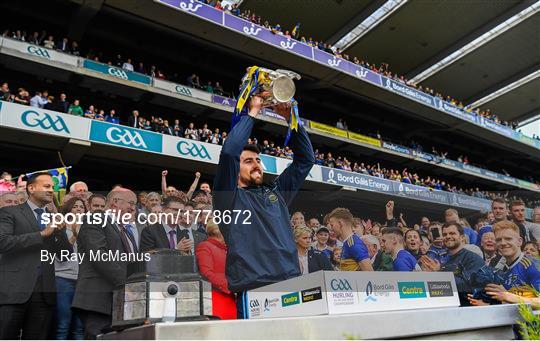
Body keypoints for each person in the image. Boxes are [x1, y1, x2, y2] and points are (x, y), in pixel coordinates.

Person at [213, 95, 315, 318]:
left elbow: (306, 160)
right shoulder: (226, 198)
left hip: (290, 285)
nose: (256, 164)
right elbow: (230, 152)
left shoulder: (276, 192)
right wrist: (253, 112)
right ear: (235, 170)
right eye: (248, 161)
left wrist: (291, 119)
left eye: (258, 160)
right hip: (254, 291)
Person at [0, 172, 71, 339]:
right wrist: (42, 234)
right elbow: (3, 242)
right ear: (31, 188)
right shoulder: (10, 212)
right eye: (46, 186)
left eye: (52, 187)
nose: (51, 190)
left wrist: (59, 233)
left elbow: (65, 255)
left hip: (44, 294)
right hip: (14, 291)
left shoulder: (53, 217)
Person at [71, 188, 139, 339]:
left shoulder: (121, 228)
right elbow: (99, 256)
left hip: (118, 302)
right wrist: (126, 285)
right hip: (98, 299)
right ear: (115, 202)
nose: (133, 208)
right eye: (131, 203)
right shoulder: (97, 218)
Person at [420, 222, 484, 305]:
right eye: (445, 234)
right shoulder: (444, 260)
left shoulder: (472, 258)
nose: (448, 236)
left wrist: (438, 274)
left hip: (468, 309)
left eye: (452, 233)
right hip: (449, 308)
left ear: (462, 237)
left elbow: (469, 287)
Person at [54, 198, 86, 340]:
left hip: (82, 281)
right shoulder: (60, 227)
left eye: (81, 207)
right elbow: (62, 256)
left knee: (79, 327)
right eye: (75, 206)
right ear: (68, 210)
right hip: (63, 279)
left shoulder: (89, 229)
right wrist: (74, 235)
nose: (79, 209)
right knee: (63, 325)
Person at [195, 222, 236, 320]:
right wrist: (230, 285)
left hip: (230, 298)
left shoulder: (228, 249)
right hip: (217, 299)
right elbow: (206, 273)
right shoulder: (205, 246)